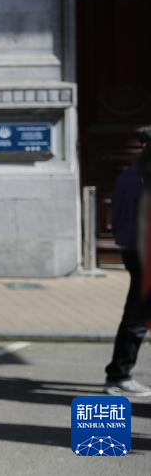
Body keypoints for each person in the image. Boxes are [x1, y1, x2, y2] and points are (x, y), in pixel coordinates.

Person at [103, 129, 151, 397]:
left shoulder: (131, 174)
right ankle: (119, 375)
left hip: (134, 249)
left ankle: (119, 373)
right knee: (137, 315)